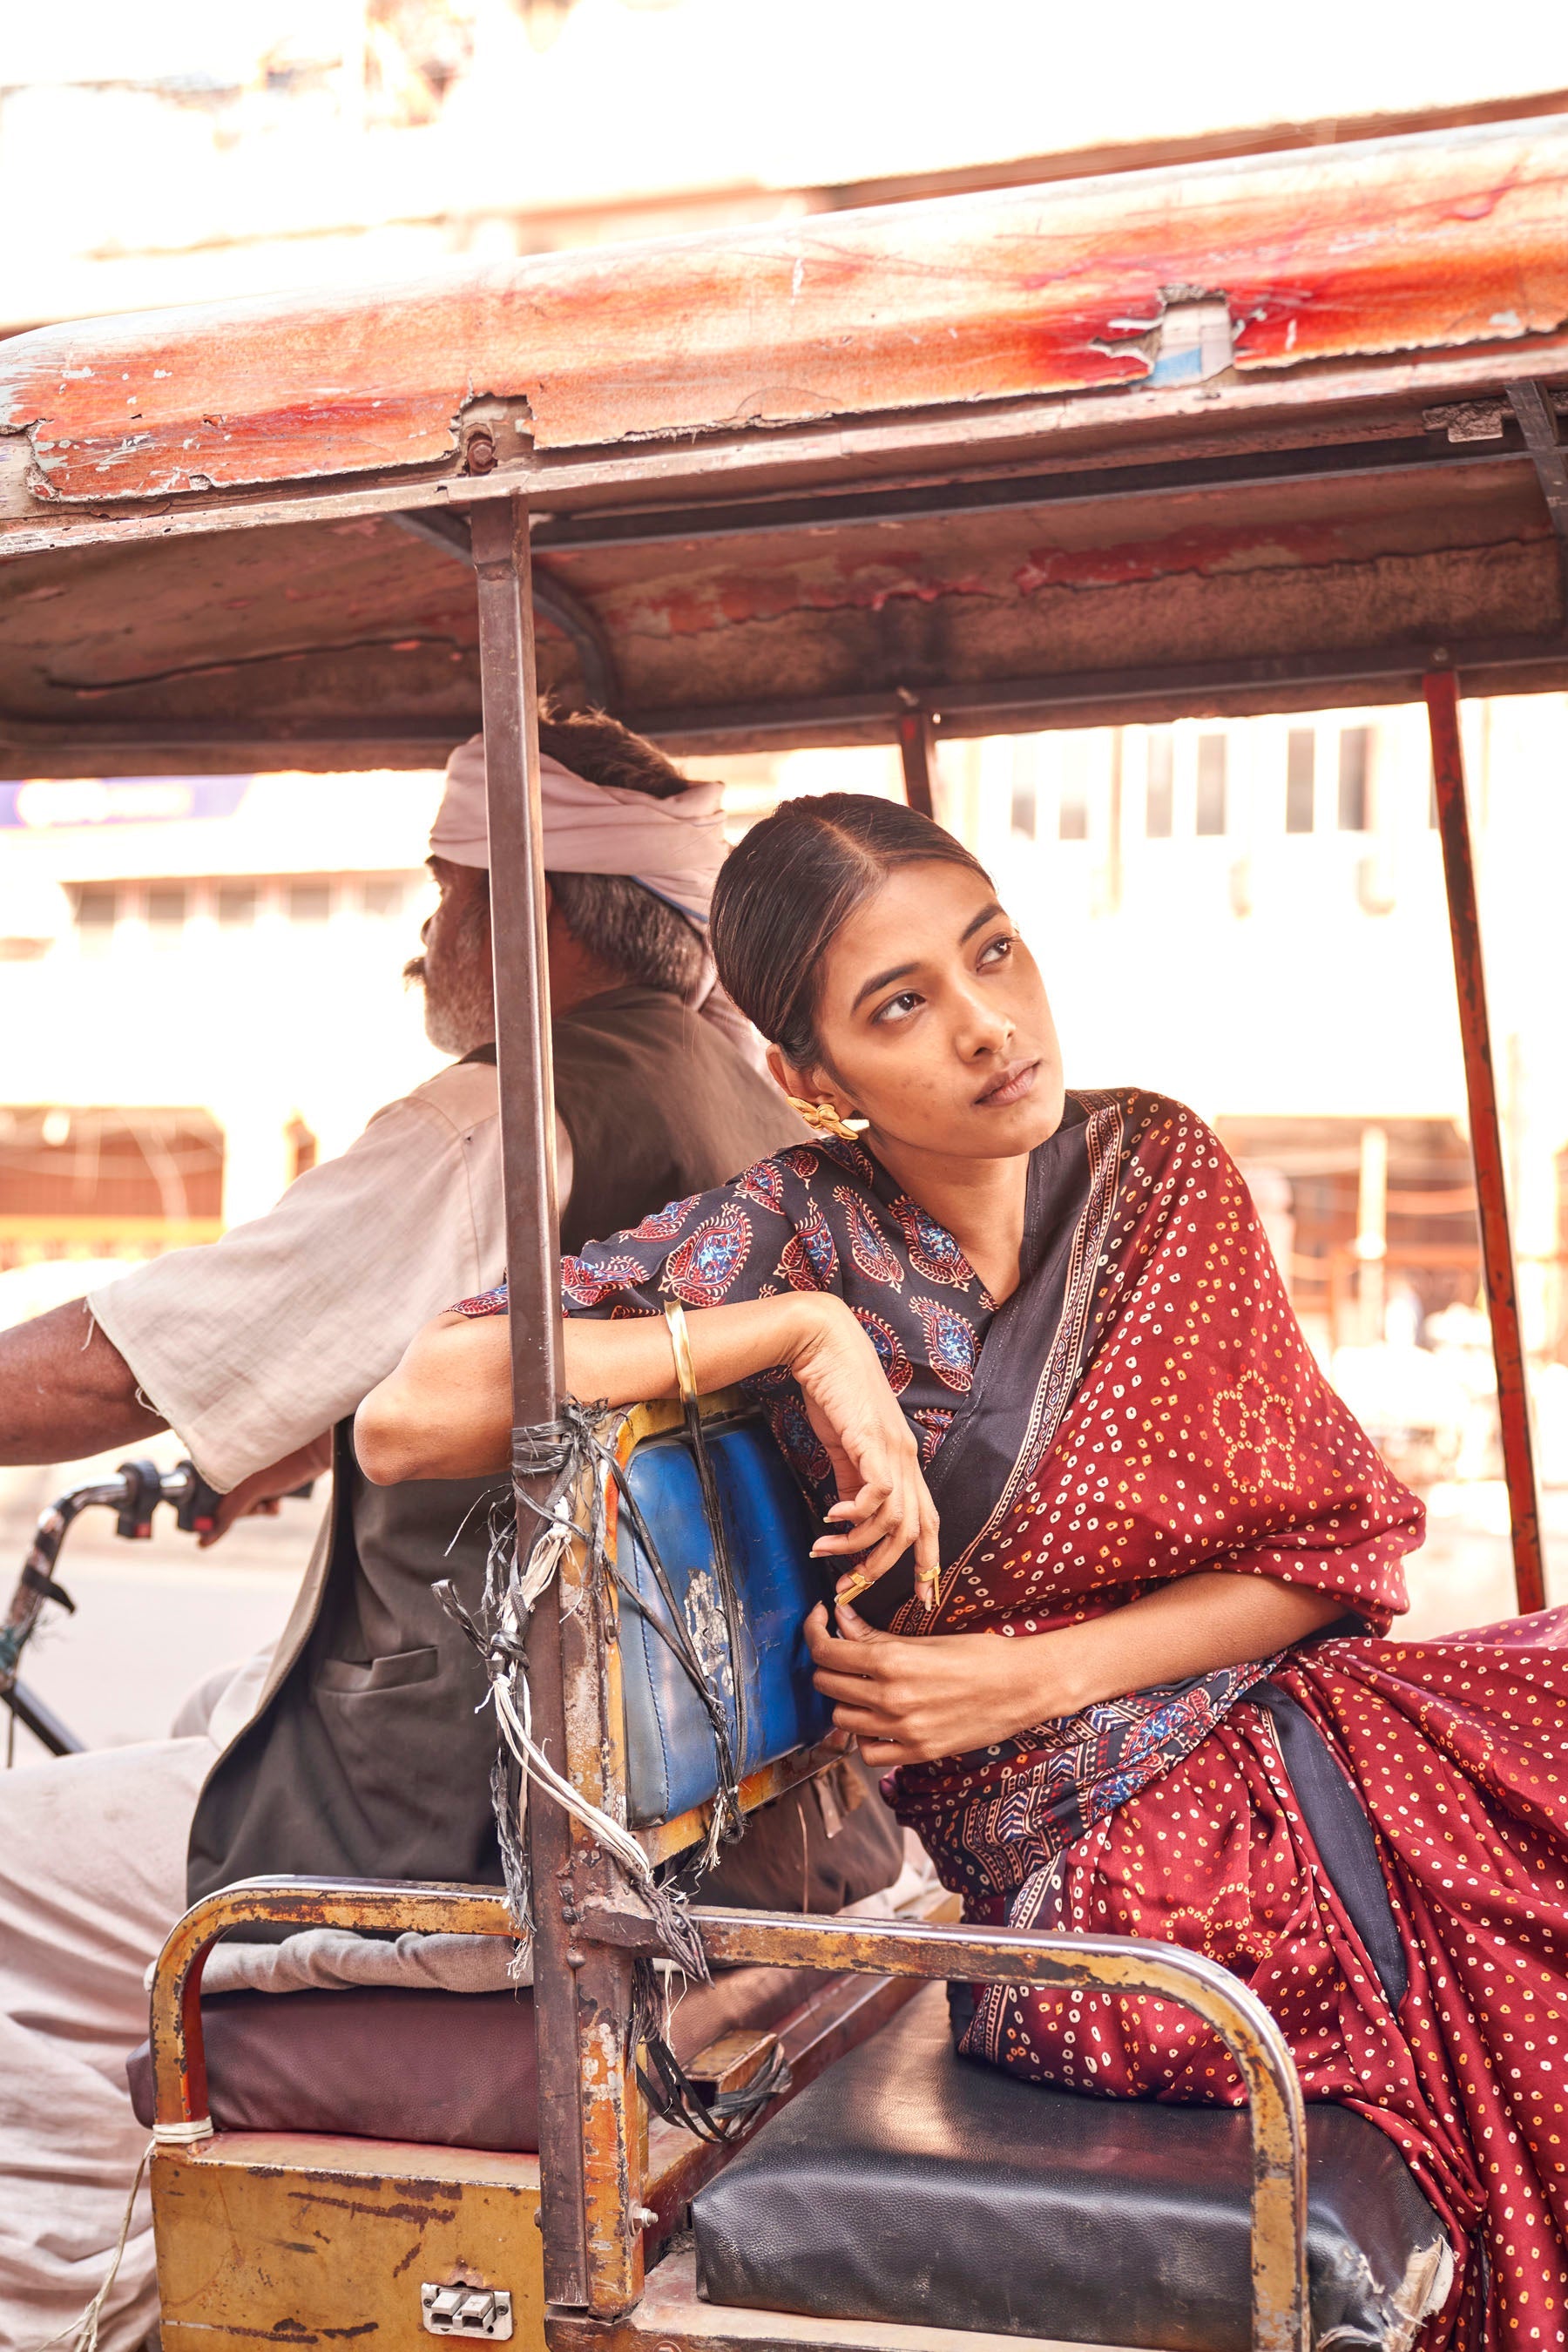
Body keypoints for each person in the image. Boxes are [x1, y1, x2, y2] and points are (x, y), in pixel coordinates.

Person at [361, 787, 1568, 2348]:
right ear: (811, 1076)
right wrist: (800, 1333)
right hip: (1098, 1897)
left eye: (995, 954)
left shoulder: (1159, 1172)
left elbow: (1323, 1561)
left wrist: (1017, 1673)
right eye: (903, 1007)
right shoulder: (793, 1236)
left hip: (1305, 1745)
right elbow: (408, 1415)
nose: (991, 1026)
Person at [0, 720, 900, 2352]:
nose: (425, 938)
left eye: (445, 891)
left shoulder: (499, 1119)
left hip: (488, 1831)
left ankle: (78, 2309)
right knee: (195, 1722)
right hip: (729, 1815)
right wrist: (287, 1448)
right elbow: (451, 1376)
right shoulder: (741, 1108)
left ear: (539, 909)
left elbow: (107, 1366)